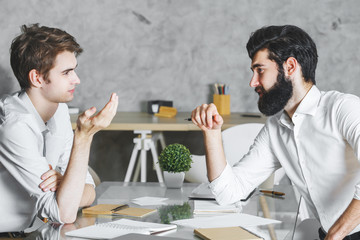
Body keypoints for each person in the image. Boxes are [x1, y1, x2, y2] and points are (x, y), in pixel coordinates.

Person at [191, 25, 360, 240]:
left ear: (290, 66)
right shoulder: (275, 129)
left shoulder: (344, 108)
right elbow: (228, 193)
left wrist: (336, 234)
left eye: (260, 70)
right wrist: (212, 132)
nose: (253, 82)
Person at [0, 24, 118, 233]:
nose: (77, 79)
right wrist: (83, 137)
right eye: (66, 72)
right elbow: (63, 212)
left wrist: (66, 185)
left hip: (37, 231)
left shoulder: (60, 110)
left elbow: (90, 190)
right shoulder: (13, 126)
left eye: (74, 70)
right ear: (37, 78)